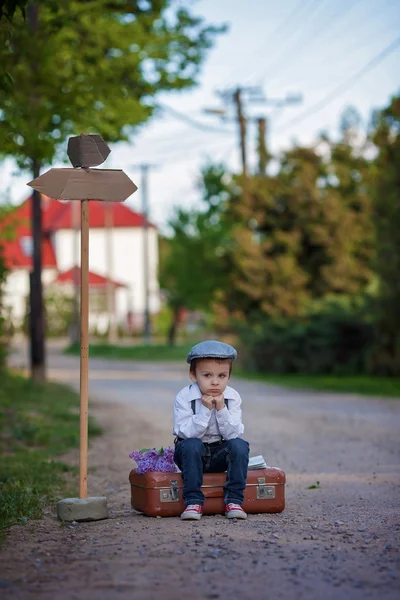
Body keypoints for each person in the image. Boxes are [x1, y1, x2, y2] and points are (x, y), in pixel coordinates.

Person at [173, 340, 250, 520]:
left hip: (218, 452)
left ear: (229, 377)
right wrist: (205, 411)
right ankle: (193, 502)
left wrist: (221, 409)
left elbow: (233, 434)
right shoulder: (184, 397)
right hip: (189, 453)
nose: (215, 382)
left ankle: (234, 501)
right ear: (193, 375)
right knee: (192, 445)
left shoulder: (232, 397)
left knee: (240, 445)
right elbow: (185, 433)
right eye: (207, 375)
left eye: (222, 376)